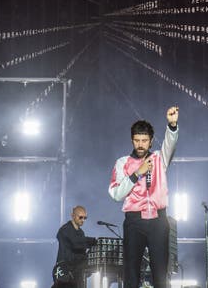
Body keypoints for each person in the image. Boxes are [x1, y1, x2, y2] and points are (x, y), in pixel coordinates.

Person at [108, 106, 179, 288]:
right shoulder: (123, 162)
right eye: (137, 140)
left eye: (144, 140)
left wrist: (172, 125)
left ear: (151, 141)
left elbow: (169, 145)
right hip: (134, 222)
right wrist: (136, 174)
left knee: (161, 277)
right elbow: (116, 194)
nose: (140, 144)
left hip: (158, 221)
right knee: (131, 276)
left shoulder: (159, 159)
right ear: (132, 140)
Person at [53, 205, 97, 288]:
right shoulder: (65, 229)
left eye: (85, 218)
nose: (83, 220)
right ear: (73, 216)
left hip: (77, 272)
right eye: (80, 217)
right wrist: (92, 241)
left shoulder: (81, 233)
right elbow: (76, 243)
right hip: (64, 271)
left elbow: (81, 248)